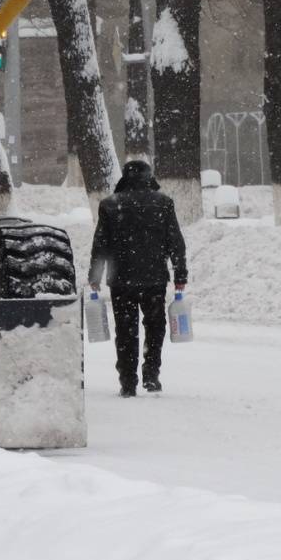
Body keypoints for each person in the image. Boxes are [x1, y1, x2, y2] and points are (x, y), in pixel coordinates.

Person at [87, 159, 188, 397]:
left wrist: (95, 275)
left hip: (121, 279)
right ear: (148, 176)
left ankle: (128, 381)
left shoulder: (110, 205)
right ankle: (151, 375)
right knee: (155, 327)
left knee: (125, 330)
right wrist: (180, 274)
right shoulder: (163, 203)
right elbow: (176, 242)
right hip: (154, 279)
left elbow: (100, 243)